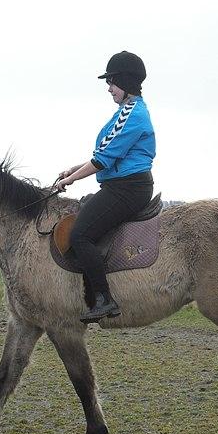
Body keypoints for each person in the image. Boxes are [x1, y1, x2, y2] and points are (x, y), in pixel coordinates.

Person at [56, 50, 156, 323]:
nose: (109, 88)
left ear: (125, 81)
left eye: (112, 82)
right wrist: (75, 169)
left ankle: (104, 299)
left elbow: (102, 160)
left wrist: (72, 179)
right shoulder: (125, 112)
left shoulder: (132, 116)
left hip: (127, 188)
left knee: (80, 236)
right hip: (119, 185)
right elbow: (106, 153)